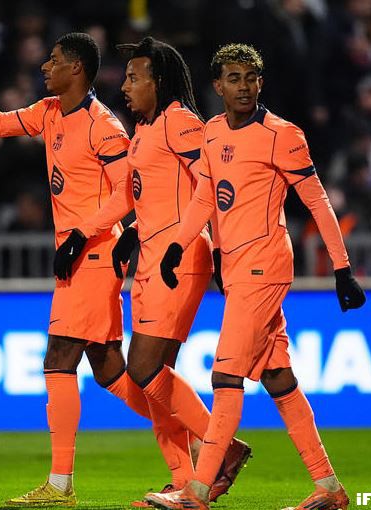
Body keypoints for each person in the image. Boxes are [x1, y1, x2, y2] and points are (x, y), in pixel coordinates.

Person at [0, 30, 177, 506]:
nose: (45, 66)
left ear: (76, 68)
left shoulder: (105, 126)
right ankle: (199, 439)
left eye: (53, 60)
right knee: (109, 370)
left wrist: (80, 233)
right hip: (76, 256)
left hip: (95, 254)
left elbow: (127, 194)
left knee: (58, 358)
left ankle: (60, 484)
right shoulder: (49, 111)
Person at [145, 44, 366, 510]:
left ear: (260, 83)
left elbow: (318, 202)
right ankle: (329, 488)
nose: (243, 86)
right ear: (218, 85)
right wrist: (178, 247)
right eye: (234, 78)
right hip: (238, 269)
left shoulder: (282, 135)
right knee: (278, 378)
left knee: (226, 374)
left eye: (251, 78)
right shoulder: (211, 132)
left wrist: (341, 268)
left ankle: (198, 490)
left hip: (265, 266)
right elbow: (206, 197)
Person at [74, 37, 251, 506]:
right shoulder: (145, 128)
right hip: (150, 258)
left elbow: (211, 189)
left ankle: (223, 447)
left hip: (180, 259)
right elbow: (147, 194)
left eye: (134, 77)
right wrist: (125, 231)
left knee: (144, 368)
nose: (125, 86)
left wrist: (221, 249)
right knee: (155, 380)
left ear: (158, 81)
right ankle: (184, 479)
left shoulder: (181, 122)